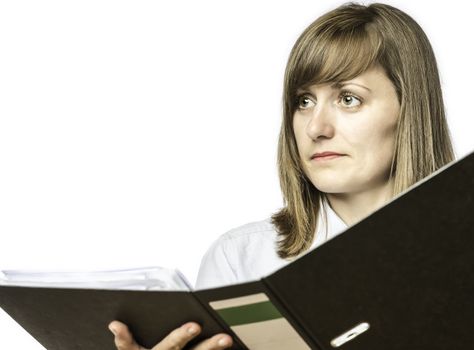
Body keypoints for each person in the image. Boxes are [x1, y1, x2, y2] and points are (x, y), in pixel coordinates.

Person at [108, 2, 455, 349]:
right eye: (303, 101)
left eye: (348, 99)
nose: (316, 127)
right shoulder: (242, 260)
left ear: (410, 109)